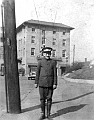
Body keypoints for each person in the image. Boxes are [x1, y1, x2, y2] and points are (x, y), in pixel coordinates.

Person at [35, 47, 57, 120]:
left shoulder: (53, 62)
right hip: (42, 83)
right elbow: (37, 73)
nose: (48, 55)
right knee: (42, 99)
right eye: (46, 53)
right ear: (43, 54)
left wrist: (55, 83)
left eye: (49, 53)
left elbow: (55, 73)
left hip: (50, 84)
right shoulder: (40, 62)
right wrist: (36, 82)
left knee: (49, 99)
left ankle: (48, 115)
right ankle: (42, 114)